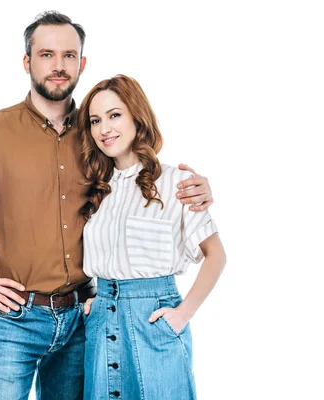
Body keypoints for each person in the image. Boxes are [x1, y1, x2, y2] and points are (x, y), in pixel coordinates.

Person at [0, 12, 214, 400]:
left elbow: (137, 178)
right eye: (46, 54)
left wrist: (195, 189)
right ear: (27, 62)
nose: (58, 65)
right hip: (12, 324)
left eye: (69, 55)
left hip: (84, 320)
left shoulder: (97, 134)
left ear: (81, 64)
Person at [78, 74, 226, 400]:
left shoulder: (177, 181)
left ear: (136, 116)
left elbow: (216, 254)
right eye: (95, 120)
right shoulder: (94, 190)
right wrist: (97, 300)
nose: (104, 129)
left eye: (115, 115)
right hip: (102, 321)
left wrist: (181, 316)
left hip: (154, 321)